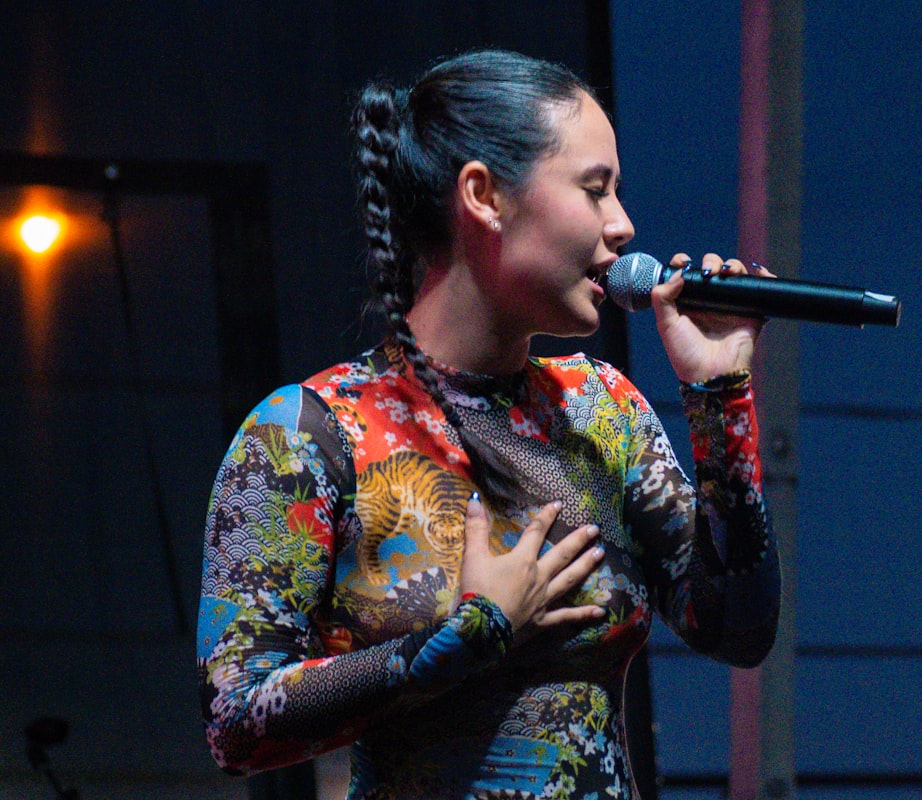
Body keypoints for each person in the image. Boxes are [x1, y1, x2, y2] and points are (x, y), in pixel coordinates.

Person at [197, 49, 781, 799]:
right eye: (594, 190)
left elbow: (739, 629)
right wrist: (469, 637)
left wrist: (720, 396)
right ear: (484, 195)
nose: (623, 226)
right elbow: (235, 720)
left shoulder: (602, 409)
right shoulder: (313, 432)